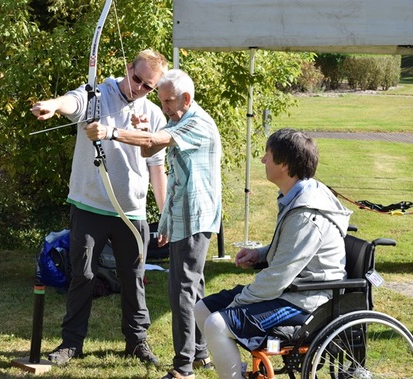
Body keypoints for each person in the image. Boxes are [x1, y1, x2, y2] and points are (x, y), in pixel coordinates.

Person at [30, 49, 168, 366]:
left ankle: (137, 342)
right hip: (90, 204)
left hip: (130, 211)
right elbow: (73, 102)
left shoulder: (153, 114)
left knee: (134, 277)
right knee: (83, 274)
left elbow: (157, 168)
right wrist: (52, 105)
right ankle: (71, 343)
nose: (139, 89)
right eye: (137, 79)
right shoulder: (98, 94)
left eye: (148, 86)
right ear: (127, 67)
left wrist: (164, 213)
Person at [85, 69, 222, 379]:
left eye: (167, 101)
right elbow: (150, 147)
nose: (164, 108)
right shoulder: (179, 118)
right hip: (184, 216)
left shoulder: (197, 123)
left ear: (186, 98)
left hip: (195, 216)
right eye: (161, 101)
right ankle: (199, 356)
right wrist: (143, 129)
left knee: (182, 290)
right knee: (193, 286)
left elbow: (150, 141)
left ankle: (183, 368)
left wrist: (111, 132)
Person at [193, 128, 352, 379]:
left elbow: (279, 276)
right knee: (202, 309)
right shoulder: (297, 196)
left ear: (285, 165)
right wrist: (260, 253)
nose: (263, 160)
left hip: (306, 302)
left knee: (216, 322)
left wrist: (238, 303)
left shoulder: (306, 213)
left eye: (268, 154)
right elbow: (292, 251)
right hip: (291, 290)